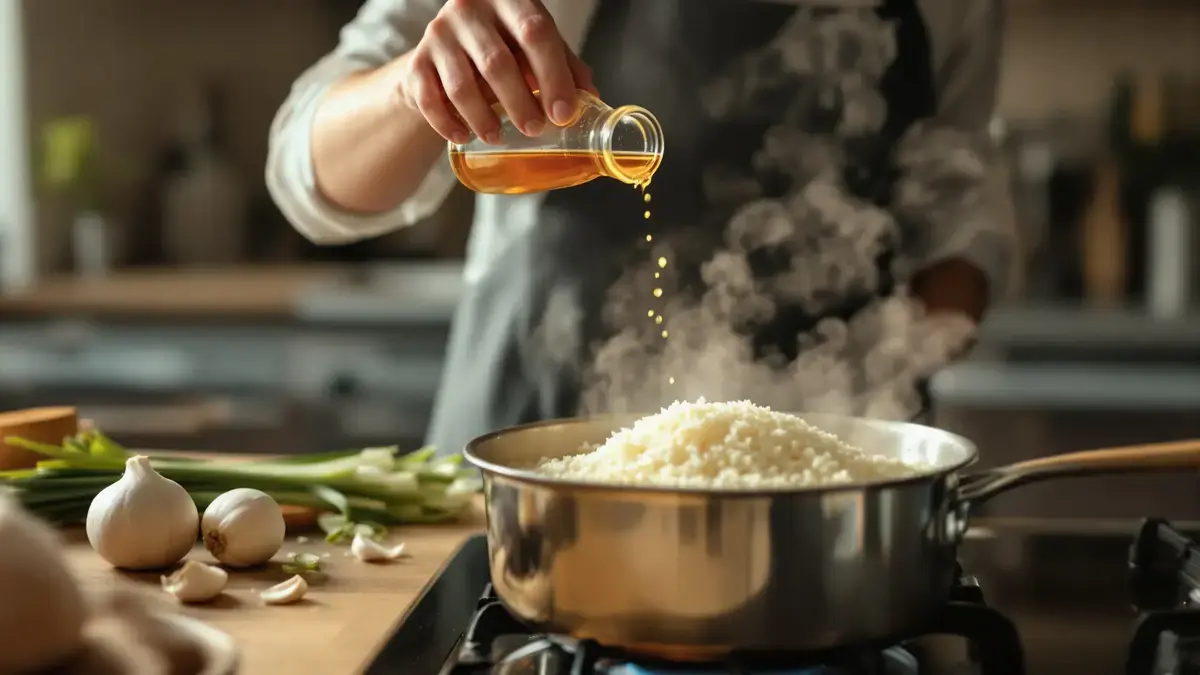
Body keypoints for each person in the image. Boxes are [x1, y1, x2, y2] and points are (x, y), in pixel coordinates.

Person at [267, 0, 1016, 456]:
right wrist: (413, 86)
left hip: (822, 481)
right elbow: (304, 167)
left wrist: (883, 386)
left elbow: (959, 202)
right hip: (533, 465)